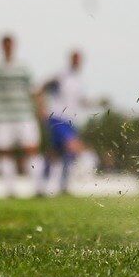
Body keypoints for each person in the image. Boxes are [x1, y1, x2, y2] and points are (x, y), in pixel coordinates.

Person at [0, 34, 43, 197]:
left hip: (24, 115)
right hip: (3, 116)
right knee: (5, 152)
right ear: (1, 47)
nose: (8, 47)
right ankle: (9, 190)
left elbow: (33, 89)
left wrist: (40, 107)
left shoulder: (23, 67)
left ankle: (38, 188)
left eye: (10, 44)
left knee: (32, 149)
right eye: (5, 45)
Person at [39, 49, 88, 195]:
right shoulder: (61, 76)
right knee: (73, 147)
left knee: (56, 153)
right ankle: (59, 185)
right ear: (70, 59)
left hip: (71, 120)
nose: (77, 62)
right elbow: (41, 87)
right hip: (58, 117)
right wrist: (41, 107)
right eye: (75, 59)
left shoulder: (78, 80)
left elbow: (80, 101)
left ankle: (48, 185)